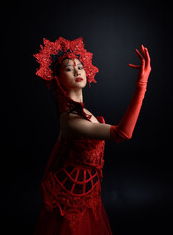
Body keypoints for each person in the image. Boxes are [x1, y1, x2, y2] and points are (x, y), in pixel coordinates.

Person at [33, 37, 151, 235]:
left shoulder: (85, 113)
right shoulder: (70, 120)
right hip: (70, 195)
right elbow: (123, 133)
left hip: (89, 193)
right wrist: (141, 85)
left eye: (79, 66)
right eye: (69, 69)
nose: (78, 70)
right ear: (58, 80)